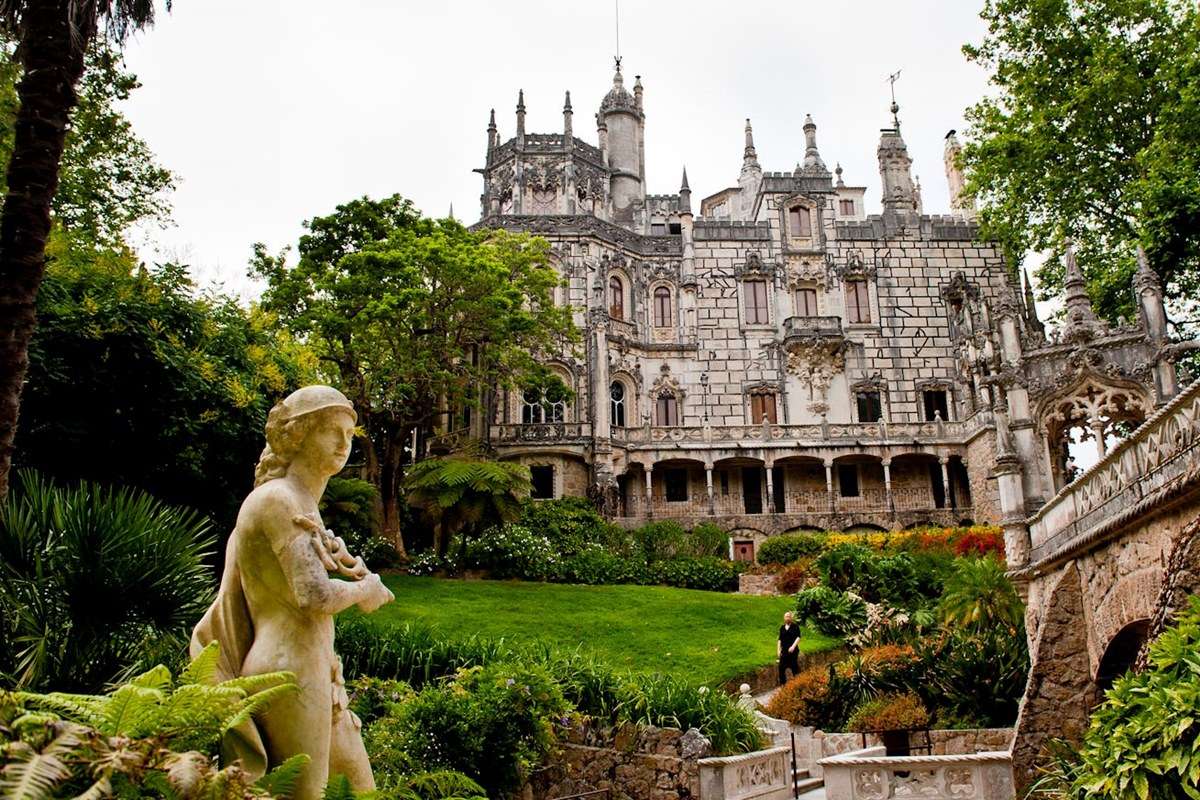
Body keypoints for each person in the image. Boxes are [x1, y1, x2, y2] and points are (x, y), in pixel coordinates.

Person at [190, 385, 395, 799]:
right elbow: (313, 597)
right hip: (289, 670)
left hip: (317, 669)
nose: (342, 444)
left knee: (360, 788)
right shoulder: (278, 500)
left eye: (349, 434)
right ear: (298, 434)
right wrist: (365, 590)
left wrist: (350, 568)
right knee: (305, 794)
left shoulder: (302, 503)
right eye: (330, 431)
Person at [777, 610, 802, 685]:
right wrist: (778, 650)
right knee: (781, 668)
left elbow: (798, 637)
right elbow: (779, 639)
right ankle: (783, 686)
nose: (787, 618)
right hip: (784, 651)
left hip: (793, 651)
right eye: (786, 617)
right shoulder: (782, 627)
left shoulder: (795, 627)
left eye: (789, 616)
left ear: (791, 618)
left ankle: (798, 683)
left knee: (794, 667)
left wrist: (793, 646)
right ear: (784, 618)